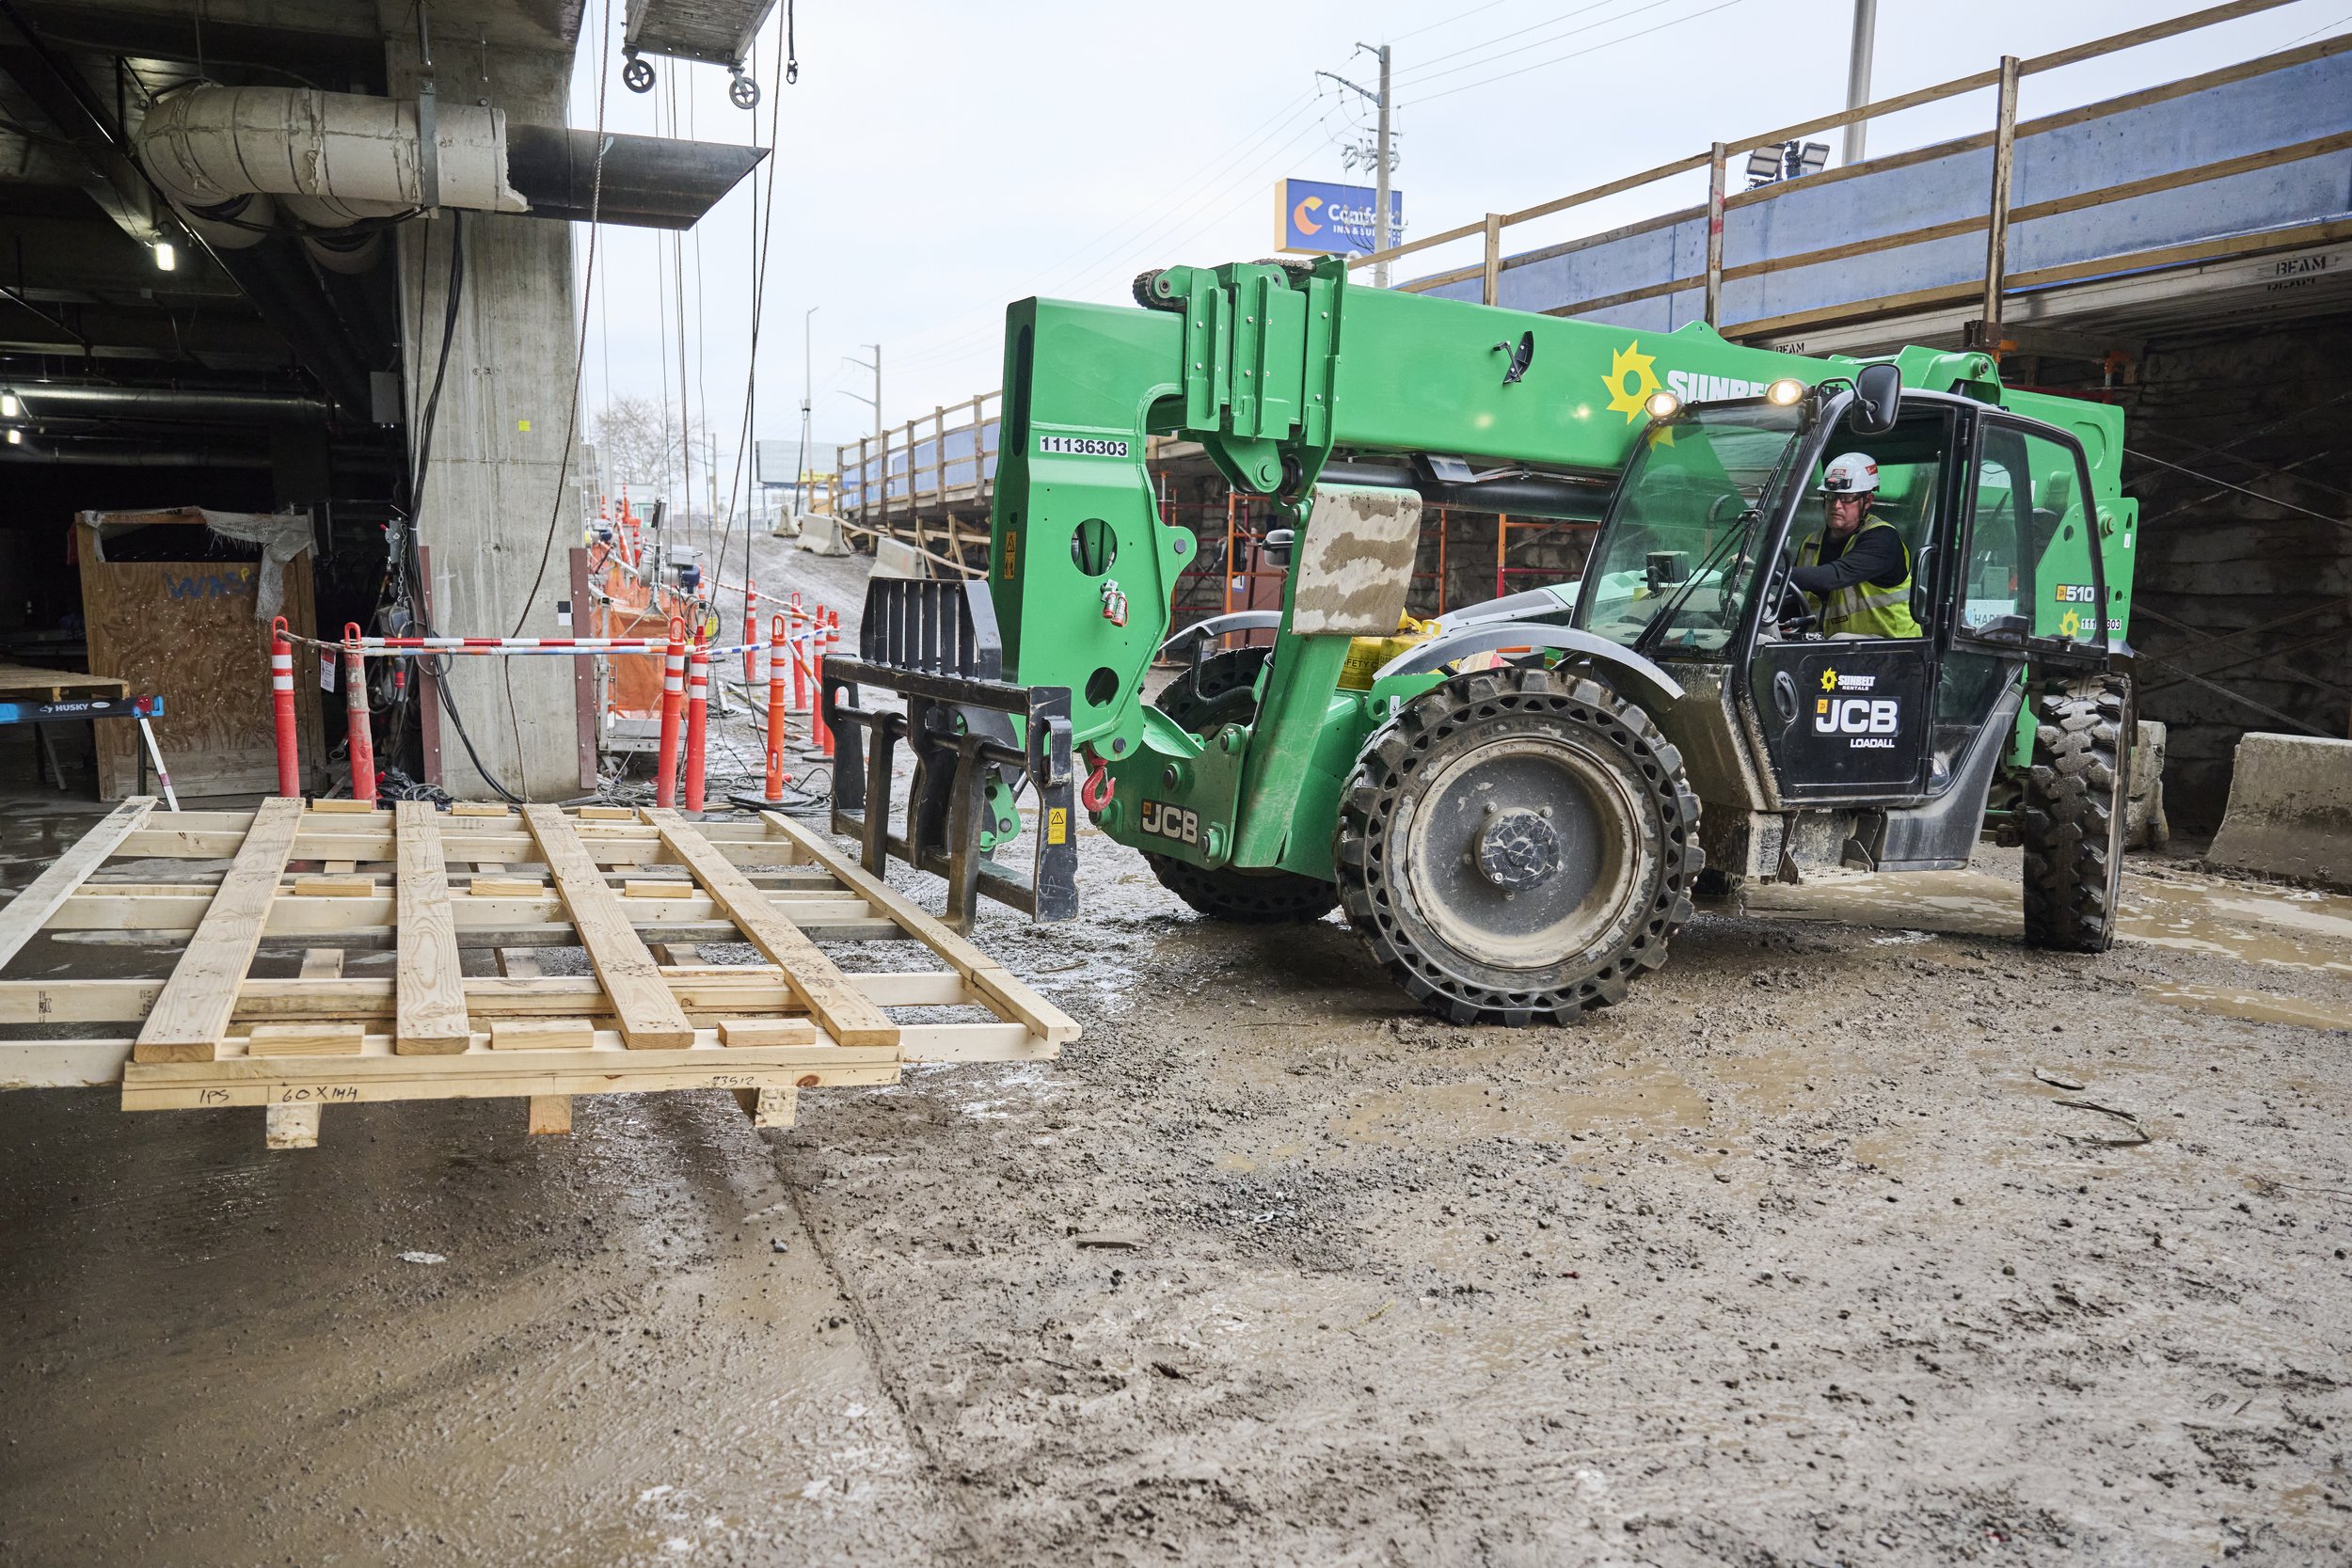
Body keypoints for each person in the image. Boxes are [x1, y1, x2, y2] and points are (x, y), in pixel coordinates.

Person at [1788, 451, 1922, 638]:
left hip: (1893, 651)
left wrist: (1766, 573)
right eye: (1831, 496)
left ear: (1867, 501)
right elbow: (1799, 600)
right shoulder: (1812, 543)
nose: (1836, 505)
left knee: (1840, 639)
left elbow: (1832, 577)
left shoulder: (1883, 540)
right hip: (1833, 654)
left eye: (1847, 498)